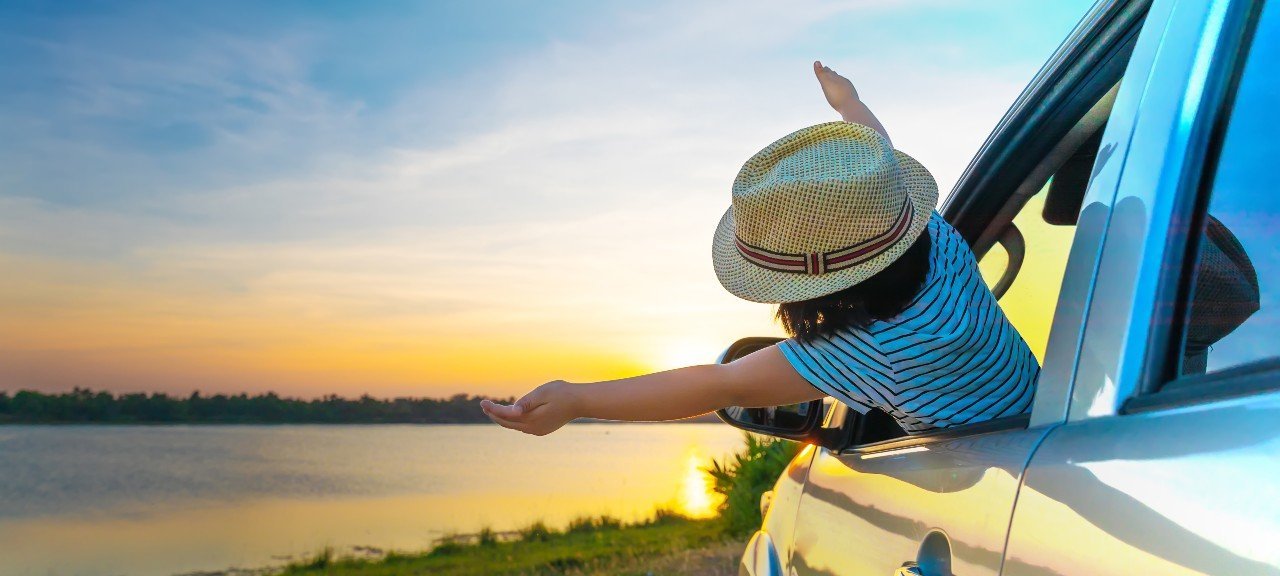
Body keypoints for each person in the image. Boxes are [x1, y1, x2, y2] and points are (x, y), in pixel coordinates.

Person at [481, 61, 1040, 436]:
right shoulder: (930, 239)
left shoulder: (865, 350)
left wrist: (578, 400)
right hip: (1045, 410)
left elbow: (712, 384)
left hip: (990, 470)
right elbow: (878, 167)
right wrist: (850, 103)